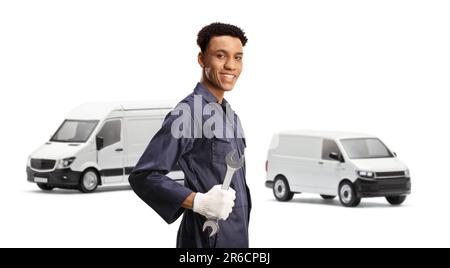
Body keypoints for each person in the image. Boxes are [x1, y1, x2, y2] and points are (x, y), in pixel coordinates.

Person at [128, 22, 251, 248]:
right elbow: (144, 176)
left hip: (237, 238)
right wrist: (198, 202)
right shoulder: (189, 112)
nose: (231, 66)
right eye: (220, 56)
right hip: (204, 241)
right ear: (202, 59)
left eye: (238, 57)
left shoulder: (230, 115)